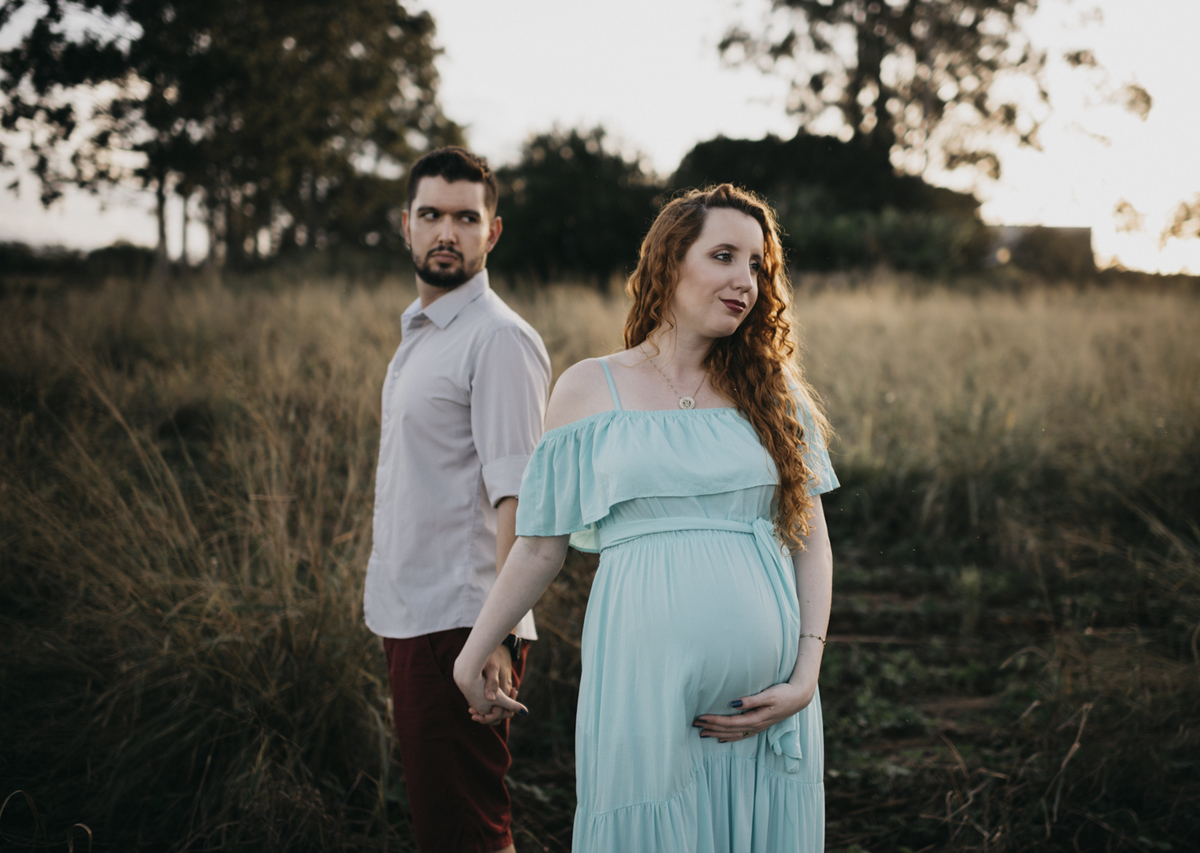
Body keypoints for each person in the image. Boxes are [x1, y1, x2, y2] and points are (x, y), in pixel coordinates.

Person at [453, 183, 839, 851]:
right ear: (668, 263)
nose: (744, 280)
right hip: (640, 683)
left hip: (771, 708)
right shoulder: (587, 388)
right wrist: (480, 644)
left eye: (757, 265)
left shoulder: (776, 396)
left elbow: (811, 544)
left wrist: (806, 677)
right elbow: (540, 547)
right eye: (723, 255)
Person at [363, 147, 550, 853]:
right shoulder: (423, 333)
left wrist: (494, 636)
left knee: (469, 830)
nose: (448, 231)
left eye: (466, 217)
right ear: (405, 225)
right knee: (450, 823)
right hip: (417, 615)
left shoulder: (498, 340)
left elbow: (518, 502)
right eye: (432, 215)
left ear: (491, 232)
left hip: (463, 621)